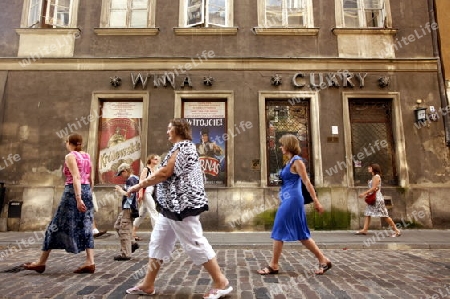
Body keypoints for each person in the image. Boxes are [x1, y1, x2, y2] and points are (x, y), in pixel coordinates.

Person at [125, 118, 232, 298]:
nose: (167, 132)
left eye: (169, 128)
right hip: (170, 206)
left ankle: (221, 282)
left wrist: (138, 186)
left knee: (194, 242)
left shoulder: (184, 147)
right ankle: (148, 284)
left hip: (181, 206)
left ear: (178, 130)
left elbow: (166, 172)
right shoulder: (181, 148)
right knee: (158, 241)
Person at [257, 134, 332, 276]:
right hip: (288, 199)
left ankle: (273, 265)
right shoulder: (290, 162)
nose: (280, 147)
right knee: (302, 235)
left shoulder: (297, 162)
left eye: (282, 144)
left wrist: (316, 200)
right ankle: (324, 260)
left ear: (289, 145)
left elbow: (307, 182)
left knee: (279, 229)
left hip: (293, 200)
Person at [23, 133, 95, 274]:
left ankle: (41, 262)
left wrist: (78, 198)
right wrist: (88, 194)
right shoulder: (87, 156)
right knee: (86, 225)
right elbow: (90, 178)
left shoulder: (70, 156)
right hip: (87, 190)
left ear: (69, 143)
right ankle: (90, 261)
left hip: (73, 192)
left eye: (66, 142)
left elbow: (76, 177)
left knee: (55, 225)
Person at [355, 163, 402, 237]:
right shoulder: (374, 177)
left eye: (370, 167)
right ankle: (365, 229)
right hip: (374, 198)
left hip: (377, 199)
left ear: (374, 169)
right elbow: (374, 187)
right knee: (367, 213)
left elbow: (374, 188)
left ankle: (396, 231)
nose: (368, 168)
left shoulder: (376, 177)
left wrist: (364, 193)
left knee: (384, 216)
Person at [113, 162, 140, 261]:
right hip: (128, 207)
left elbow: (129, 195)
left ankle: (125, 253)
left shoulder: (131, 179)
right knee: (117, 225)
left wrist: (120, 190)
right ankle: (132, 243)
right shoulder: (135, 178)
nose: (121, 176)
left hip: (129, 207)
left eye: (121, 174)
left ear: (125, 171)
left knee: (124, 230)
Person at [132, 154, 161, 241]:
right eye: (155, 159)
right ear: (150, 160)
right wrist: (140, 194)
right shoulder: (146, 169)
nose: (156, 161)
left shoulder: (155, 169)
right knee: (153, 212)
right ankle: (157, 235)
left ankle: (132, 233)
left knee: (141, 214)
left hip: (150, 193)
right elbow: (141, 182)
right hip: (146, 193)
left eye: (157, 159)